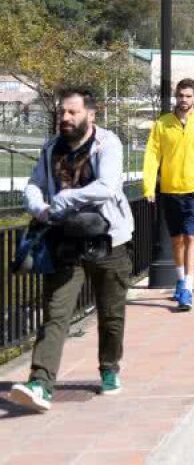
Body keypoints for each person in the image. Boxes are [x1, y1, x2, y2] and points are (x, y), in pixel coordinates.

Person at [7, 88, 132, 411]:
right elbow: (34, 183)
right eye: (62, 112)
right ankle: (41, 383)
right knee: (56, 313)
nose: (64, 118)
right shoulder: (51, 148)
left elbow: (108, 187)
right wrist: (38, 206)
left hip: (107, 240)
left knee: (111, 313)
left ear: (90, 115)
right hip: (65, 240)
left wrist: (62, 199)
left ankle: (109, 367)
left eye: (72, 112)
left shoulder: (108, 144)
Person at [142, 78, 194, 311]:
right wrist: (149, 187)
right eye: (180, 96)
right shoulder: (162, 124)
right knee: (176, 241)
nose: (184, 100)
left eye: (188, 96)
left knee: (191, 238)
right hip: (170, 190)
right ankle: (179, 279)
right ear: (176, 97)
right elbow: (152, 156)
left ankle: (187, 288)